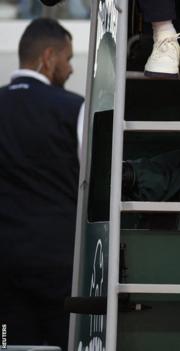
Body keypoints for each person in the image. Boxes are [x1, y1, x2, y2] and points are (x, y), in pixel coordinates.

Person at [0, 18, 84, 350]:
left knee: (7, 344)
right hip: (59, 262)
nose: (71, 68)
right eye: (68, 58)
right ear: (48, 57)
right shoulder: (73, 108)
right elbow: (92, 179)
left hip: (3, 264)